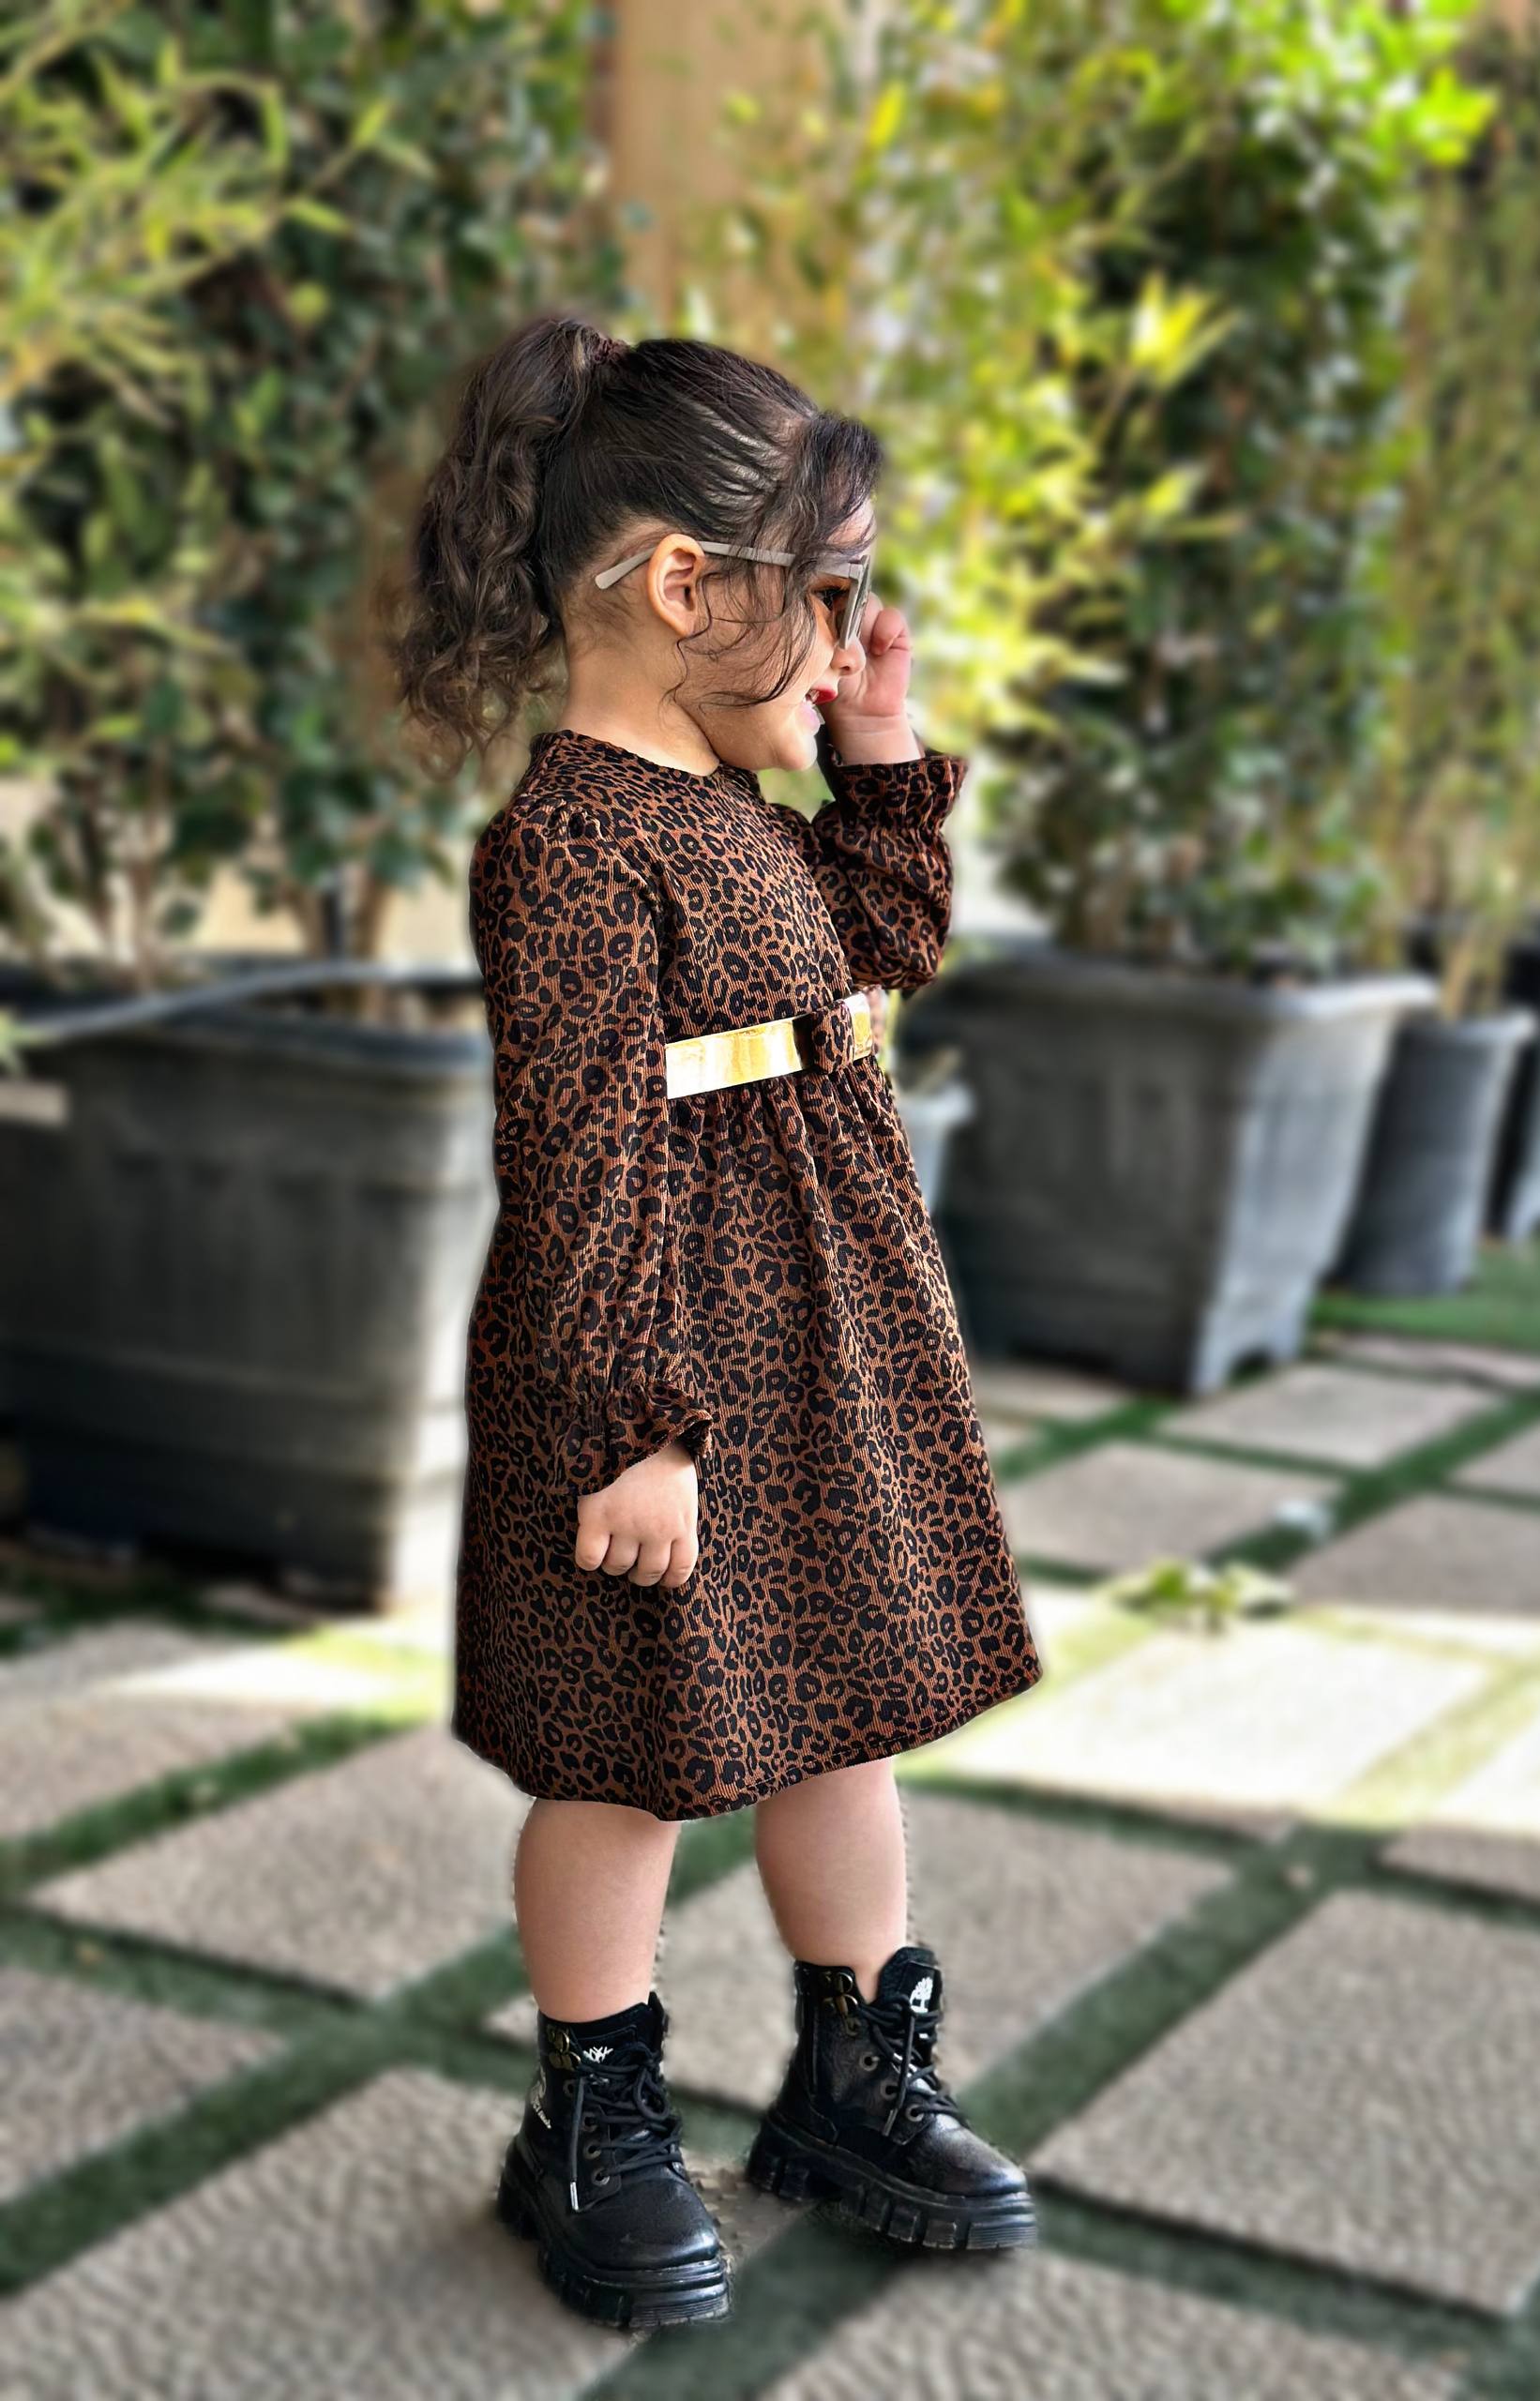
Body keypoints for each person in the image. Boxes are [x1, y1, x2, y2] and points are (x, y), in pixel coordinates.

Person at [381, 316, 1046, 2332]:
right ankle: (593, 2114)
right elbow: (582, 1157)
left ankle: (856, 2076)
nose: (849, 643)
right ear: (685, 585)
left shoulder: (739, 810)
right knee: (629, 1758)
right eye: (826, 600)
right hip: (655, 1382)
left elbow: (882, 949)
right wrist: (635, 1427)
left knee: (837, 1711)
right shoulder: (575, 839)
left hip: (815, 1360)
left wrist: (876, 762)